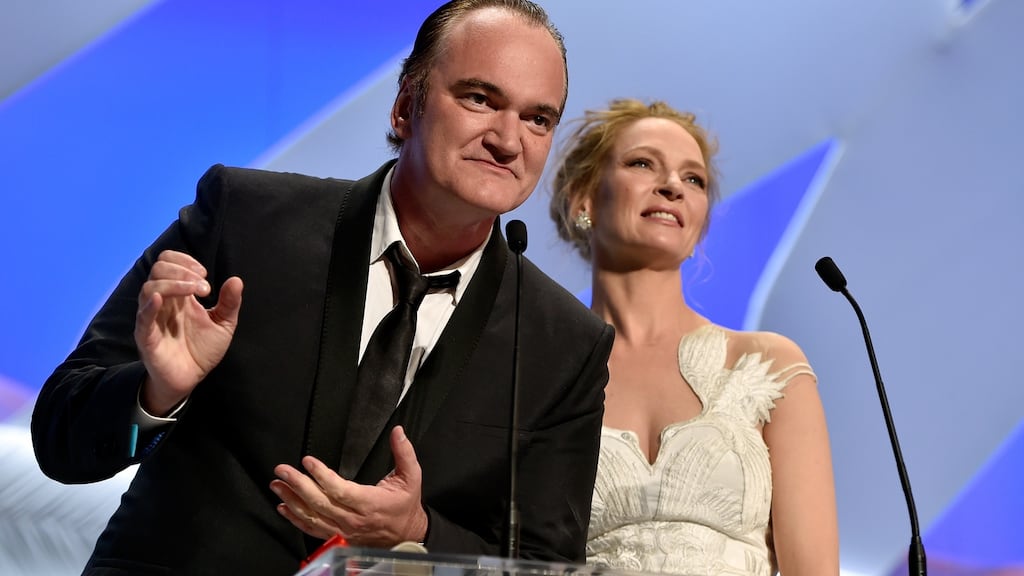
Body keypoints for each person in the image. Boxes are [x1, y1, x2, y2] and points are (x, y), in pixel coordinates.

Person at [31, 1, 615, 574]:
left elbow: (545, 563)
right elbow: (61, 440)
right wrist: (157, 393)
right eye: (480, 99)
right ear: (406, 106)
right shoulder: (245, 218)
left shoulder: (564, 343)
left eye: (538, 118)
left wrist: (419, 533)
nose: (509, 141)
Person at [549, 99, 839, 575]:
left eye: (693, 179)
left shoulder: (766, 366)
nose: (671, 187)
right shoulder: (538, 377)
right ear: (584, 199)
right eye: (643, 163)